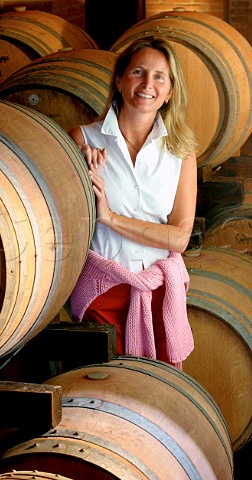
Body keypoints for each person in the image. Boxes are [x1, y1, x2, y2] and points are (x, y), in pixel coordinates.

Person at [68, 36, 198, 369]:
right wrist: (73, 166)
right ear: (119, 79)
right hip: (103, 290)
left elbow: (179, 238)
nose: (147, 84)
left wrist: (109, 217)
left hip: (160, 294)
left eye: (159, 77)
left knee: (160, 394)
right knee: (106, 392)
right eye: (138, 72)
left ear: (170, 91)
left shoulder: (181, 151)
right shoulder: (83, 140)